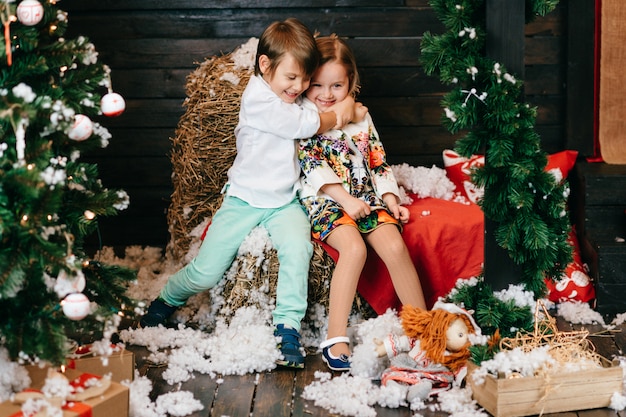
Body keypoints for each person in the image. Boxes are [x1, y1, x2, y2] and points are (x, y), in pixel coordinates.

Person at [140, 19, 364, 370]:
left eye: (305, 79)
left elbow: (319, 106)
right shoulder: (258, 97)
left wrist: (343, 103)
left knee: (297, 250)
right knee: (207, 271)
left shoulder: (295, 95)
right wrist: (340, 114)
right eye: (292, 78)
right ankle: (168, 298)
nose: (300, 87)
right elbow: (305, 124)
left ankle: (286, 327)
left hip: (284, 201)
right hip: (243, 200)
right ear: (265, 66)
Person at [298, 35, 427, 371]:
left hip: (366, 195)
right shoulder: (303, 118)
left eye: (336, 86)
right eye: (317, 85)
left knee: (395, 247)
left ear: (350, 82)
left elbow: (377, 160)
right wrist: (345, 200)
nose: (326, 95)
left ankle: (425, 329)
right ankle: (335, 335)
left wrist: (390, 199)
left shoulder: (361, 117)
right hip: (326, 199)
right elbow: (312, 167)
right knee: (354, 249)